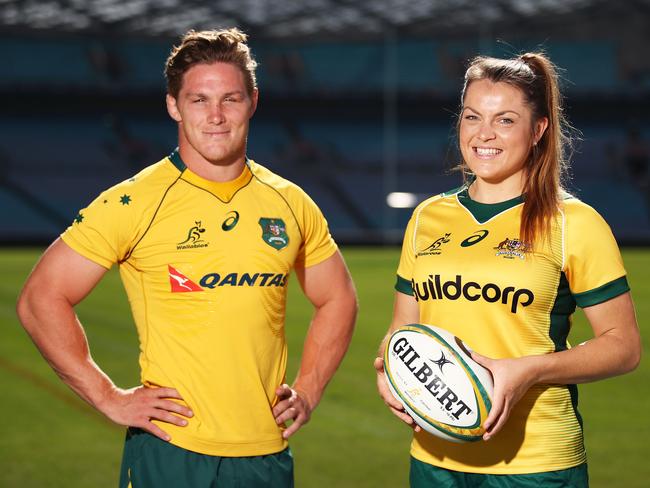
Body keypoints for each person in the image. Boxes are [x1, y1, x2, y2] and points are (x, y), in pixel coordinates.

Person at [17, 28, 357, 488]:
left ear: (253, 101)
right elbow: (41, 297)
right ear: (174, 105)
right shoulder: (135, 201)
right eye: (199, 100)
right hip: (171, 451)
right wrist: (106, 396)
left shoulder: (290, 202)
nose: (216, 116)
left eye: (230, 99)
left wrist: (310, 389)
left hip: (264, 454)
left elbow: (338, 298)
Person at [375, 52, 641, 487]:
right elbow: (402, 330)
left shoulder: (573, 222)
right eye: (472, 117)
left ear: (538, 130)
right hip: (434, 458)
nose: (483, 134)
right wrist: (390, 373)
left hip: (536, 463)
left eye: (504, 120)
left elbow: (624, 346)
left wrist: (529, 370)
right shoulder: (427, 217)